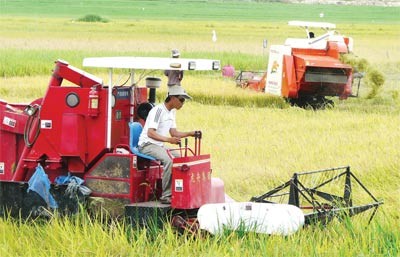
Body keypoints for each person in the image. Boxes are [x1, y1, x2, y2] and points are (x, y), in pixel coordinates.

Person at [138, 85, 197, 204]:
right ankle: (166, 196)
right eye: (181, 100)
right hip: (147, 144)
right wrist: (169, 140)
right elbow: (150, 133)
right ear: (172, 98)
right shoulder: (158, 111)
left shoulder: (172, 112)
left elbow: (174, 132)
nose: (183, 103)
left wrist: (190, 133)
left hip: (159, 145)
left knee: (181, 158)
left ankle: (180, 191)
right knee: (169, 160)